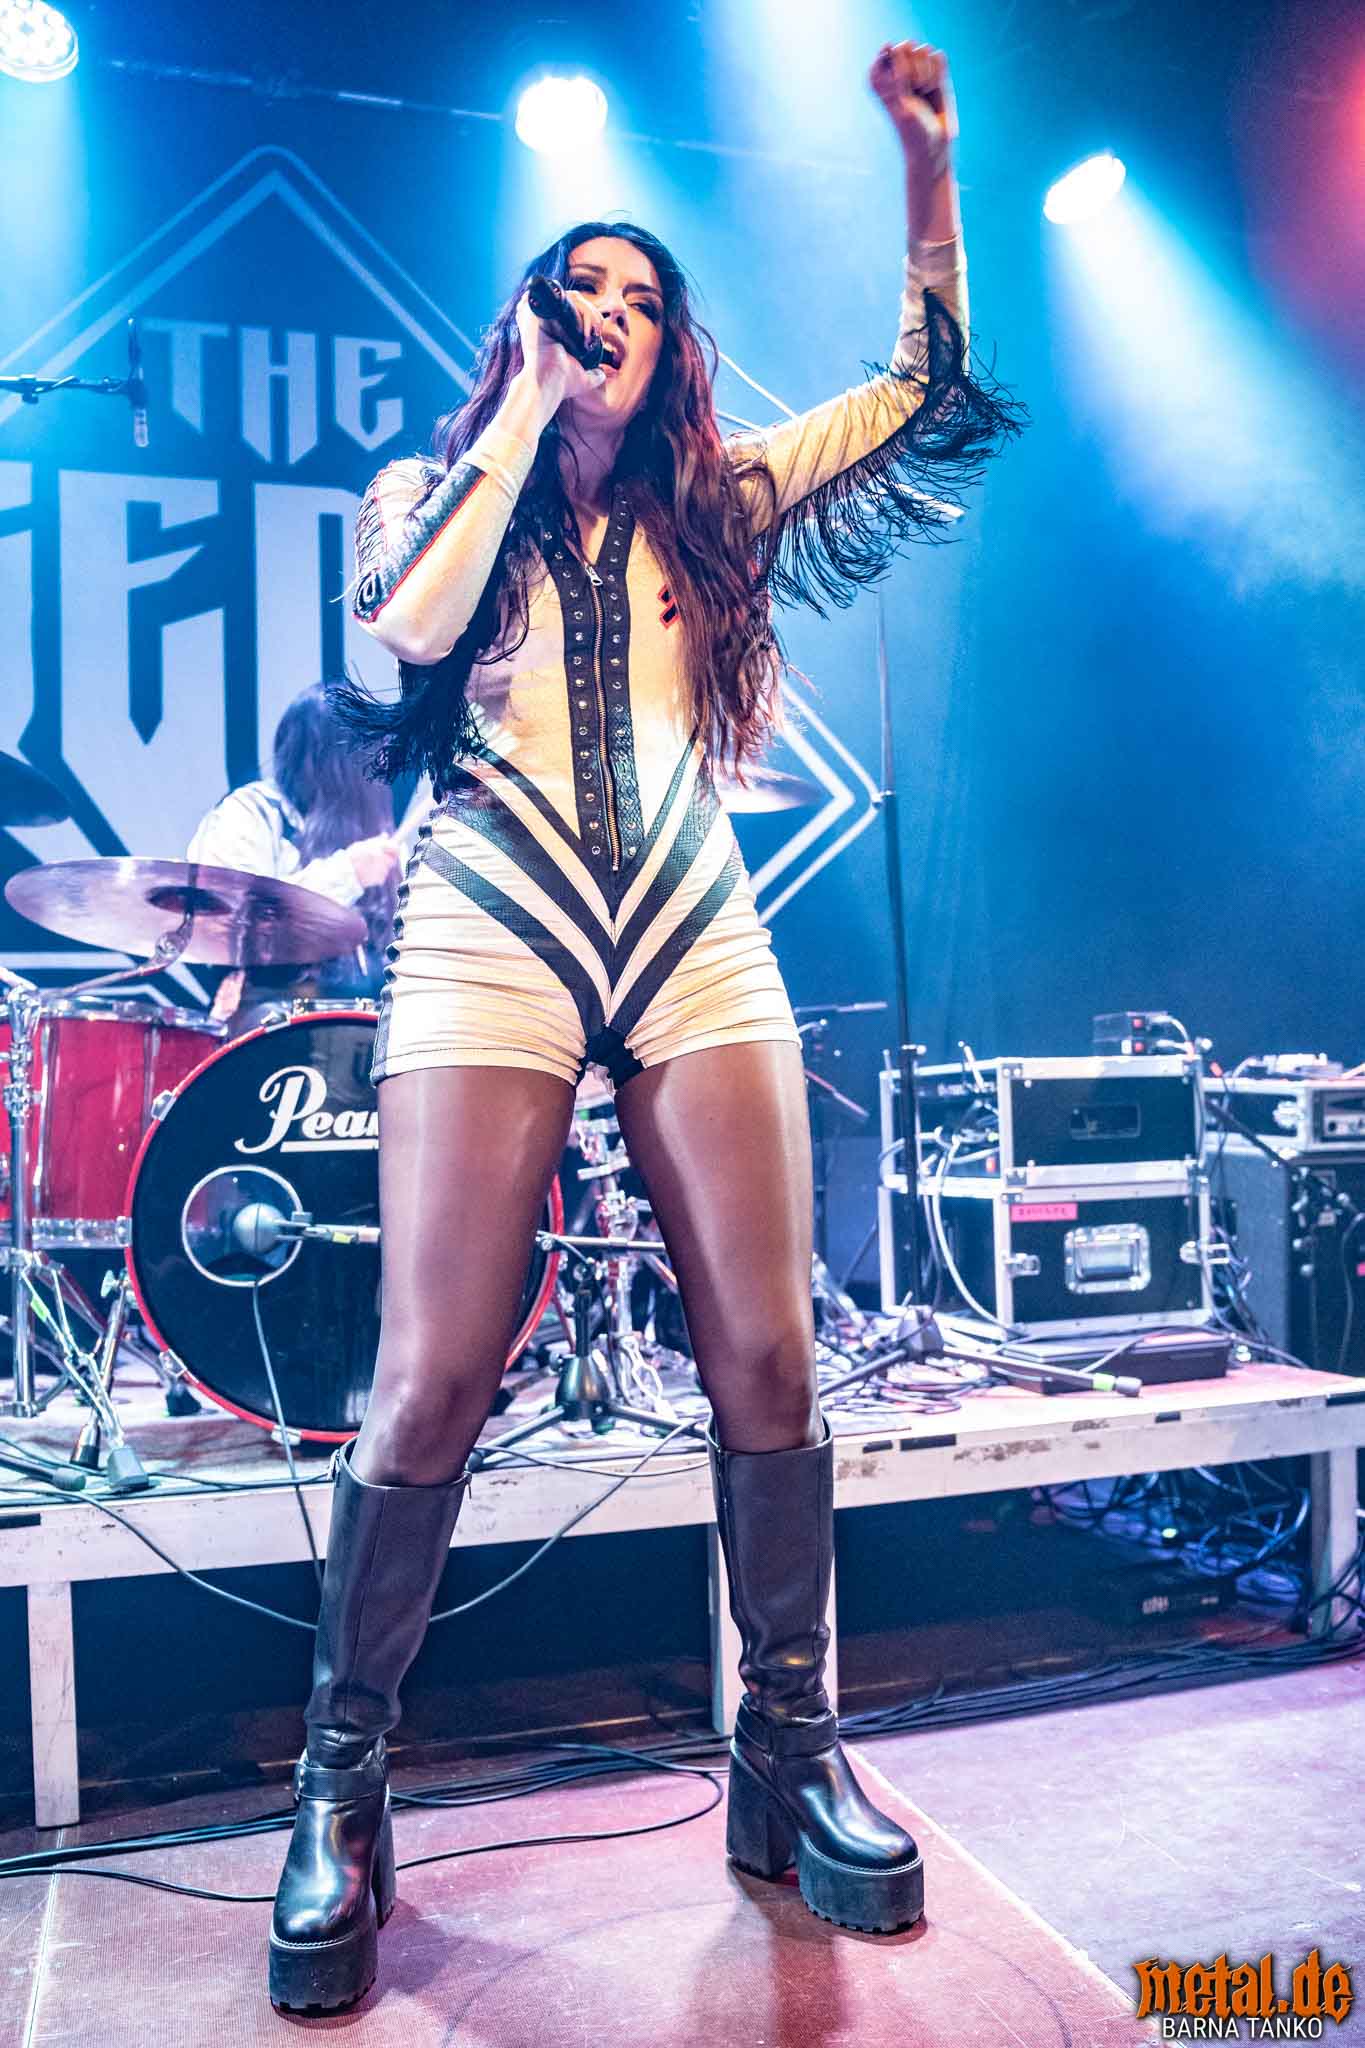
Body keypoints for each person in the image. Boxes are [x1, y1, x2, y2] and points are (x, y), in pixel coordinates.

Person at [268, 40, 1024, 2015]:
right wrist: (525, 412)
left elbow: (927, 394)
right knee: (433, 1374)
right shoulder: (427, 491)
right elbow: (406, 633)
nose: (606, 312)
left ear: (676, 346)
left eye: (639, 299)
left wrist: (928, 173)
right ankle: (339, 1790)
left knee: (768, 1349)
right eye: (575, 289)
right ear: (528, 320)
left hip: (689, 917)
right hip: (492, 915)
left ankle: (791, 1752)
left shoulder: (722, 498)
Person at [186, 680, 405, 1023]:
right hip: (273, 1025)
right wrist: (348, 873)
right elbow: (237, 923)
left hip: (375, 1028)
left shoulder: (375, 831)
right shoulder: (252, 812)